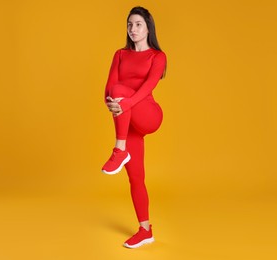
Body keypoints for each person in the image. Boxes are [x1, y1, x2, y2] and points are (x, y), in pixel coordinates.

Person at [101, 6, 167, 249]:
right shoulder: (119, 54)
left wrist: (122, 101)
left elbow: (148, 87)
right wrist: (111, 104)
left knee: (119, 91)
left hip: (148, 114)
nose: (133, 29)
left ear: (148, 27)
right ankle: (145, 229)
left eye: (138, 24)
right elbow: (108, 88)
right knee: (136, 178)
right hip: (126, 117)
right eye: (130, 24)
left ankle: (119, 150)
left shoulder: (157, 56)